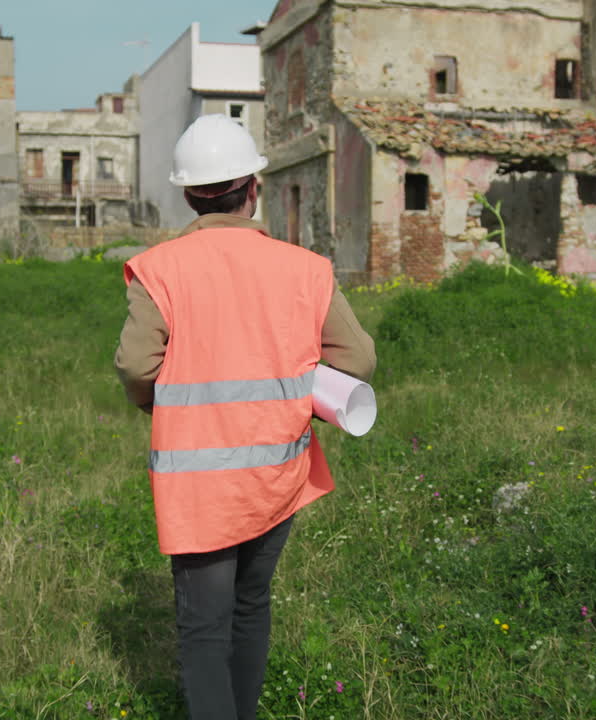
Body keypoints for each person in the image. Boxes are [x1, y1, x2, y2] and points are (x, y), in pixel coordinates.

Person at [114, 114, 376, 720]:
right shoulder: (304, 268)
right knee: (252, 604)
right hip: (276, 474)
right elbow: (357, 358)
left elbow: (135, 366)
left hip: (197, 483)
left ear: (187, 194)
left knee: (205, 626)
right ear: (253, 187)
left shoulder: (160, 269)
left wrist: (156, 401)